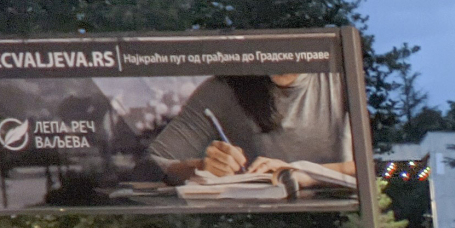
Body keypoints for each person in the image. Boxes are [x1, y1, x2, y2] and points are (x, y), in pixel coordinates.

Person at [146, 72, 355, 184]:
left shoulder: (343, 78)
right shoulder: (227, 88)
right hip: (249, 223)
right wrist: (200, 168)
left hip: (339, 223)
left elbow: (376, 167)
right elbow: (153, 164)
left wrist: (302, 173)